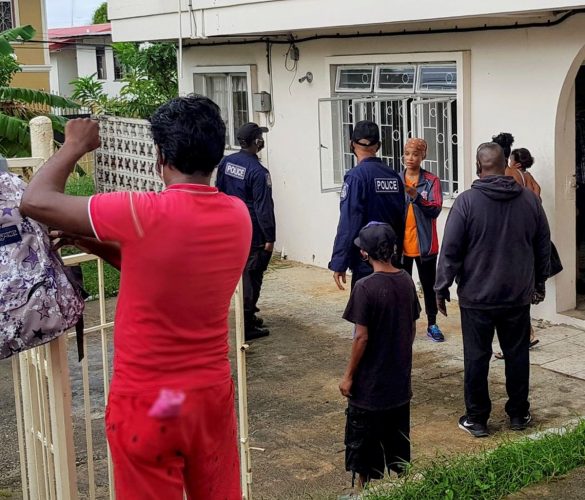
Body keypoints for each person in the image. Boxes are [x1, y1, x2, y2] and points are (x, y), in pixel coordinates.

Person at [20, 96, 252, 499]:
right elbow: (165, 270)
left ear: (160, 156)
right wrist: (96, 246)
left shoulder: (141, 212)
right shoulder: (237, 215)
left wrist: (73, 145)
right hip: (206, 399)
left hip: (152, 404)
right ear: (216, 155)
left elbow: (36, 201)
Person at [434, 142, 551, 438]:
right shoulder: (529, 201)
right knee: (517, 355)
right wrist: (538, 283)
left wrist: (441, 287)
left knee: (476, 356)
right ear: (504, 166)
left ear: (478, 166)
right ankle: (518, 414)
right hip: (516, 295)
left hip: (477, 297)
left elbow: (451, 250)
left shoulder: (467, 202)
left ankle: (477, 419)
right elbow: (542, 247)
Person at [339, 221, 420, 489]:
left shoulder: (364, 287)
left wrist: (349, 376)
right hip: (398, 384)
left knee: (363, 450)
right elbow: (411, 327)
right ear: (394, 249)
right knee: (398, 443)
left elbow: (361, 337)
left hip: (369, 388)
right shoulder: (407, 281)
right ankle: (405, 489)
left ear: (365, 253)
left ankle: (362, 491)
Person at [329, 120, 405, 290]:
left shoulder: (356, 177)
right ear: (378, 146)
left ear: (351, 144)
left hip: (366, 260)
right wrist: (398, 253)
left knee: (366, 311)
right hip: (389, 259)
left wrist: (339, 262)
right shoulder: (393, 176)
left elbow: (349, 222)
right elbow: (401, 218)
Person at [216, 122, 275, 341]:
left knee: (241, 272)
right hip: (252, 231)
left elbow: (219, 193)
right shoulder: (259, 172)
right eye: (261, 137)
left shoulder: (226, 162)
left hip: (231, 227)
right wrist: (269, 236)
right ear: (257, 142)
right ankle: (247, 322)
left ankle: (249, 315)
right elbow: (263, 207)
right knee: (253, 274)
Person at [399, 138, 445, 342]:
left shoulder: (431, 180)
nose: (411, 158)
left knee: (429, 285)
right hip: (400, 245)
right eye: (407, 153)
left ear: (423, 156)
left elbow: (435, 210)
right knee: (403, 287)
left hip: (425, 245)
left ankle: (432, 323)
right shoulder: (396, 179)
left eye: (415, 154)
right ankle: (405, 323)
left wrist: (416, 196)